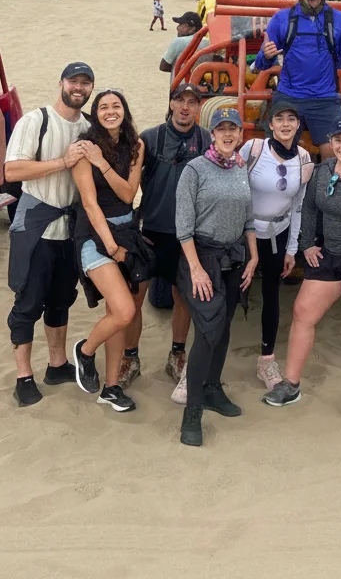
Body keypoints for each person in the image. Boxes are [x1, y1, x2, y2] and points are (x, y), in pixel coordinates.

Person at [262, 115, 341, 411]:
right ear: (331, 142)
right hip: (328, 254)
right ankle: (291, 383)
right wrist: (307, 245)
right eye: (338, 140)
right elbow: (310, 208)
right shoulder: (323, 169)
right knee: (303, 312)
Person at [4, 62, 95, 406]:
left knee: (61, 299)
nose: (79, 88)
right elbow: (12, 170)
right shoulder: (36, 120)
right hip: (35, 224)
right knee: (27, 302)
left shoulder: (88, 127)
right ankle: (23, 376)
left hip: (70, 229)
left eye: (85, 83)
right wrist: (62, 162)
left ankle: (57, 365)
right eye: (74, 81)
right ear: (61, 83)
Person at [117, 82, 210, 396]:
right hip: (150, 232)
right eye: (180, 100)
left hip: (186, 236)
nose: (185, 107)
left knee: (182, 298)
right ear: (171, 104)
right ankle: (130, 358)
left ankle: (177, 354)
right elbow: (127, 185)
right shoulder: (149, 139)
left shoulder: (207, 140)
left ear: (199, 108)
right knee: (134, 299)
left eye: (192, 102)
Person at [175, 108, 258, 447]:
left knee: (223, 328)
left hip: (234, 258)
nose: (227, 134)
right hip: (201, 258)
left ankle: (212, 388)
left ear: (240, 135)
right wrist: (195, 268)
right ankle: (191, 412)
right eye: (221, 128)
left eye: (233, 129)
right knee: (208, 332)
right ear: (212, 133)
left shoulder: (241, 168)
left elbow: (249, 217)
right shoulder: (195, 169)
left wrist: (253, 255)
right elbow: (183, 226)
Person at [71, 90, 145, 413]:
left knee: (116, 316)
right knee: (125, 311)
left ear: (124, 111)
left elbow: (129, 194)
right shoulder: (82, 150)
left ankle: (111, 387)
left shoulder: (136, 146)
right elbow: (89, 203)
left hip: (128, 230)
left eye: (116, 106)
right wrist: (112, 246)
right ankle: (85, 352)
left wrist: (103, 163)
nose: (110, 111)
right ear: (95, 114)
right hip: (95, 235)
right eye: (103, 107)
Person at [253, 0, 341, 159]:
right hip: (288, 96)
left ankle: (328, 189)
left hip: (325, 99)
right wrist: (266, 55)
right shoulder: (281, 18)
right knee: (275, 152)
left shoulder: (340, 20)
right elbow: (262, 63)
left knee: (335, 154)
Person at [239, 98, 313, 389]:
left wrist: (292, 249)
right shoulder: (253, 149)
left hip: (277, 233)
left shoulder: (305, 159)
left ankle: (266, 360)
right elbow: (236, 190)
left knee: (272, 294)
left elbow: (298, 206)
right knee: (229, 289)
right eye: (279, 118)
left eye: (291, 119)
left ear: (298, 125)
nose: (285, 124)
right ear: (270, 124)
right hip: (245, 231)